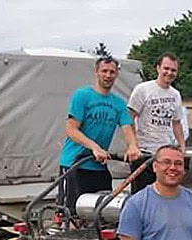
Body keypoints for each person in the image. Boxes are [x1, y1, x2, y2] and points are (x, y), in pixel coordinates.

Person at [58, 56, 139, 213]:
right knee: (71, 214)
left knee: (103, 212)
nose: (108, 75)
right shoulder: (82, 96)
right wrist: (94, 147)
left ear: (116, 74)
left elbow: (127, 128)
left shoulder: (119, 103)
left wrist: (132, 146)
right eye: (104, 71)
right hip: (74, 164)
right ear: (97, 72)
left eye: (112, 72)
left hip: (99, 166)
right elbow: (71, 129)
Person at [127, 52, 186, 194]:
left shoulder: (175, 94)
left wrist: (182, 145)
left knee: (167, 194)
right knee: (143, 196)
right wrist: (132, 145)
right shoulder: (143, 89)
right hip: (145, 153)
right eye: (166, 68)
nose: (169, 73)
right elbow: (128, 118)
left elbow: (176, 122)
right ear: (158, 68)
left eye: (173, 70)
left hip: (166, 154)